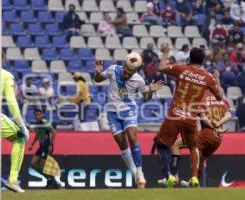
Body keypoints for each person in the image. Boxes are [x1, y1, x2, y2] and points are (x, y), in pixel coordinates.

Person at [156, 43, 222, 188]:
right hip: (191, 117)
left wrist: (166, 53)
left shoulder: (181, 69)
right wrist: (215, 80)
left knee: (161, 144)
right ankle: (194, 178)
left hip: (175, 114)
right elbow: (219, 96)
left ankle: (171, 176)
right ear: (203, 60)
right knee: (193, 146)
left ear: (189, 58)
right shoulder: (208, 77)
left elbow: (160, 68)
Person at [94, 52, 164, 188]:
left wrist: (150, 91)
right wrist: (98, 72)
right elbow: (97, 80)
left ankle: (140, 172)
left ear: (136, 70)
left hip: (129, 111)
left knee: (132, 137)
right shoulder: (113, 69)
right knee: (122, 143)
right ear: (124, 64)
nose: (127, 74)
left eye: (131, 72)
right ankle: (135, 174)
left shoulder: (139, 80)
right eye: (127, 70)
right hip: (113, 113)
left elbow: (146, 98)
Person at [167, 89, 231, 187]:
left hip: (207, 133)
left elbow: (203, 117)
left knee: (175, 145)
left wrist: (213, 126)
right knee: (201, 160)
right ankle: (194, 183)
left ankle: (175, 175)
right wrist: (218, 124)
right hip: (218, 138)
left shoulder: (202, 97)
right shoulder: (219, 99)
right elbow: (229, 114)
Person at [28, 109, 63, 188]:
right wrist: (33, 144)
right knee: (33, 163)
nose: (38, 116)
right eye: (36, 114)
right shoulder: (37, 124)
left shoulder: (45, 123)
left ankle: (55, 182)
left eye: (39, 114)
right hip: (41, 146)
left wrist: (50, 143)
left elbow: (53, 132)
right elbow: (38, 134)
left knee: (43, 165)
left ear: (42, 115)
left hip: (47, 146)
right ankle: (49, 179)